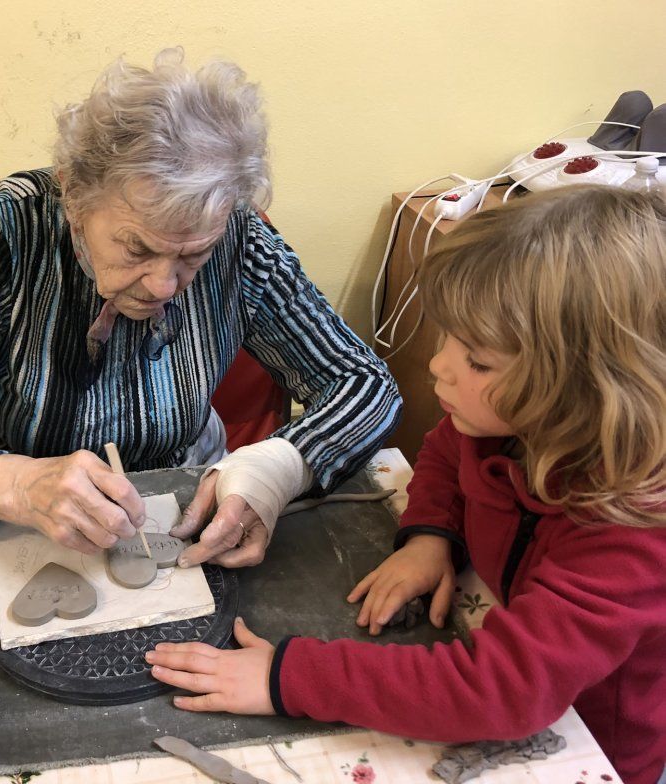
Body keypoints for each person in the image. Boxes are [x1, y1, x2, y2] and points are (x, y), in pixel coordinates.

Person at [146, 185, 666, 784]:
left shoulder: (630, 532)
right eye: (449, 337)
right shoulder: (501, 427)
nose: (439, 365)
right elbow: (445, 454)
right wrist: (431, 536)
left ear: (586, 390)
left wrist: (285, 679)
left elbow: (501, 691)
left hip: (593, 738)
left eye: (478, 361)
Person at [0, 48, 400, 566]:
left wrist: (275, 468)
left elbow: (365, 384)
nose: (163, 285)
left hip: (181, 489)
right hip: (15, 511)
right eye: (137, 248)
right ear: (74, 198)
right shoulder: (5, 233)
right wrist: (15, 485)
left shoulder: (240, 239)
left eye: (193, 255)